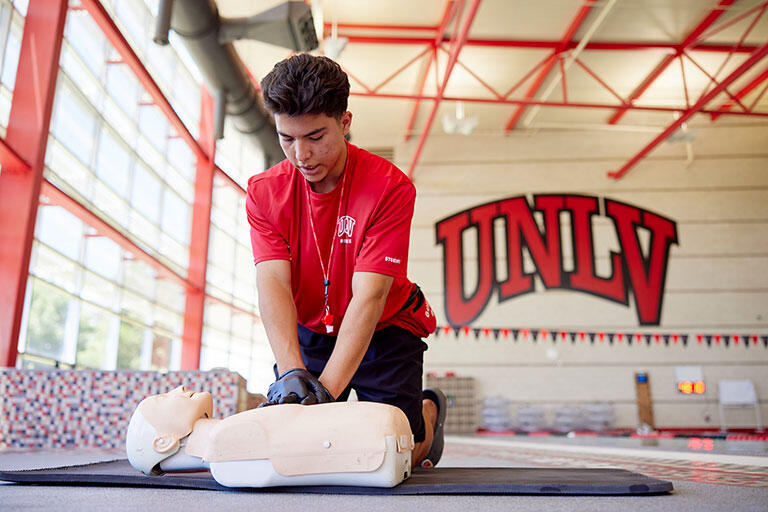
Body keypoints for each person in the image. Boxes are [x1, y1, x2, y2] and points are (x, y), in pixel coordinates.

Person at [246, 53, 445, 468]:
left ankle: (429, 413)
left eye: (315, 136)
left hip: (385, 328)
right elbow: (273, 285)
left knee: (391, 455)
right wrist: (292, 378)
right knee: (299, 449)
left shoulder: (390, 188)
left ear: (345, 122)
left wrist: (324, 398)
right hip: (311, 328)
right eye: (287, 138)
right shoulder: (264, 192)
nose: (301, 154)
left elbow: (368, 298)